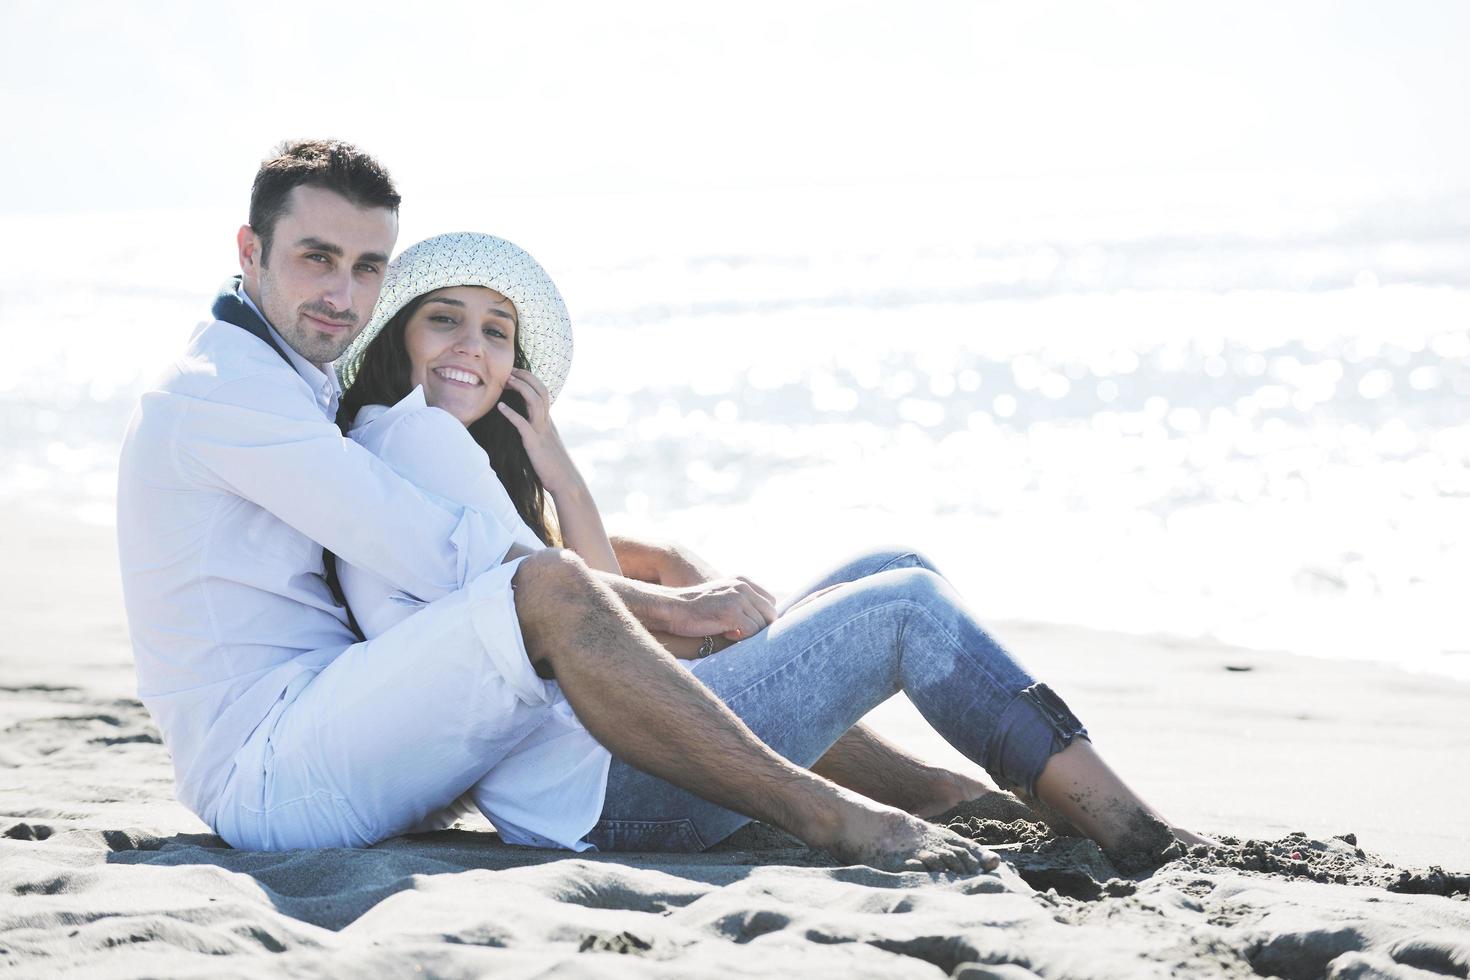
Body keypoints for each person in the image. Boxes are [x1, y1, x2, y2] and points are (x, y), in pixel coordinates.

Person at [116, 139, 1002, 874]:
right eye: (316, 258)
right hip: (272, 768)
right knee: (552, 592)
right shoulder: (226, 394)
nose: (341, 295)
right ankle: (828, 813)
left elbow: (424, 525)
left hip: (335, 719)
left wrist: (597, 516)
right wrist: (662, 603)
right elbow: (428, 544)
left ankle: (928, 787)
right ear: (249, 250)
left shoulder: (289, 383)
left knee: (850, 588)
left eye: (365, 267)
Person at [328, 231, 1210, 871]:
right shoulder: (420, 442)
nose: (471, 349)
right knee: (903, 603)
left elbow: (581, 609)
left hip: (601, 774)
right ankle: (1126, 823)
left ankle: (975, 792)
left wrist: (561, 474)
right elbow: (602, 621)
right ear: (400, 334)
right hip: (610, 797)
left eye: (494, 331)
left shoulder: (408, 451)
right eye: (445, 320)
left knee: (885, 567)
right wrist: (668, 590)